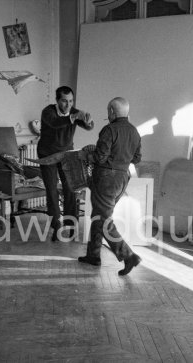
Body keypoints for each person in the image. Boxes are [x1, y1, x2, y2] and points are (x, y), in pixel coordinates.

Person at [78, 97, 142, 276]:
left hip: (106, 178)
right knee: (100, 216)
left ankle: (129, 256)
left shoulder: (109, 129)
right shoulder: (134, 132)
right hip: (122, 178)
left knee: (104, 220)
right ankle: (93, 255)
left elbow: (99, 157)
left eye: (108, 112)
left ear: (112, 112)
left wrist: (86, 156)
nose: (108, 115)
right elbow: (136, 159)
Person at [38, 86, 94, 241]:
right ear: (57, 100)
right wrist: (74, 117)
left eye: (71, 101)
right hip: (47, 154)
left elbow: (89, 126)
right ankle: (56, 226)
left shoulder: (74, 111)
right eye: (64, 101)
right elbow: (56, 123)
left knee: (70, 188)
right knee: (52, 189)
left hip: (66, 155)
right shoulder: (47, 112)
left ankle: (71, 226)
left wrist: (88, 120)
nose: (68, 105)